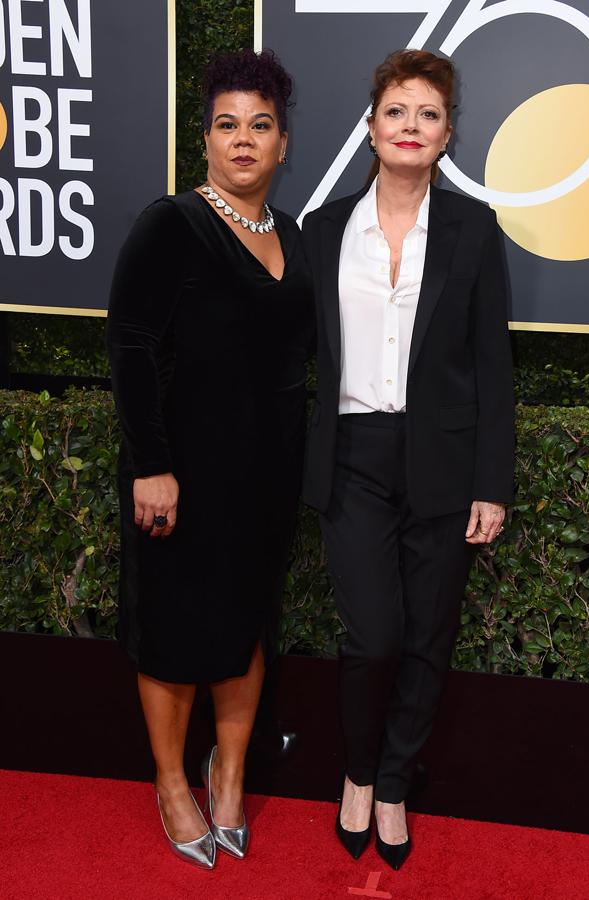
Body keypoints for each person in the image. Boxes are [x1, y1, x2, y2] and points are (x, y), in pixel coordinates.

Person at [301, 49, 514, 870]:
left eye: (428, 114)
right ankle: (357, 770)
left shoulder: (471, 230)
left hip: (443, 462)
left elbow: (492, 363)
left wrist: (492, 482)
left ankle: (391, 785)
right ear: (370, 127)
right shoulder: (324, 231)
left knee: (429, 636)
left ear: (447, 134)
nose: (411, 126)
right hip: (352, 456)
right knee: (376, 637)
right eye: (397, 111)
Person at [107, 48, 313, 870]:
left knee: (243, 630)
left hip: (263, 483)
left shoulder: (290, 235)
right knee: (173, 637)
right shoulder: (173, 222)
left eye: (259, 126)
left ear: (283, 144)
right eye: (227, 125)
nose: (242, 140)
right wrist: (151, 463)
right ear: (205, 141)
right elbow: (128, 346)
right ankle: (170, 781)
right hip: (180, 479)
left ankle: (227, 775)